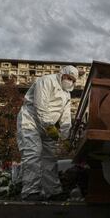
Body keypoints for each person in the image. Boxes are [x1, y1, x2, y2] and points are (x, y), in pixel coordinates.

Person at [16, 65, 79, 201]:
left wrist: (66, 138)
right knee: (33, 152)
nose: (70, 81)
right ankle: (30, 192)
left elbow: (66, 119)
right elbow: (41, 105)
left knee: (49, 158)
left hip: (48, 127)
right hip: (30, 120)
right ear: (61, 74)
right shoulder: (46, 81)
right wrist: (49, 127)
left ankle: (53, 192)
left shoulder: (67, 95)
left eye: (73, 80)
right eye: (68, 77)